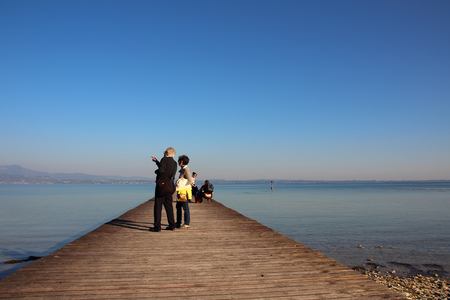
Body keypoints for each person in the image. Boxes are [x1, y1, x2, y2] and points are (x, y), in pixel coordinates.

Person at [150, 147, 177, 232]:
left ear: (166, 153)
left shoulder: (164, 159)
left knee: (158, 206)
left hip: (161, 186)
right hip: (170, 186)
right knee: (169, 206)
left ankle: (157, 226)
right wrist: (157, 162)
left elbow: (162, 170)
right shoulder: (175, 163)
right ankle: (172, 225)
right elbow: (167, 170)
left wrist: (156, 172)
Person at [175, 155, 192, 228]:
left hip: (183, 192)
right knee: (178, 207)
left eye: (179, 160)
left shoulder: (186, 169)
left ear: (181, 162)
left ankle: (186, 223)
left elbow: (190, 180)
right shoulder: (183, 169)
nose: (178, 162)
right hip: (181, 192)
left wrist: (181, 185)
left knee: (185, 207)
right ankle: (178, 222)